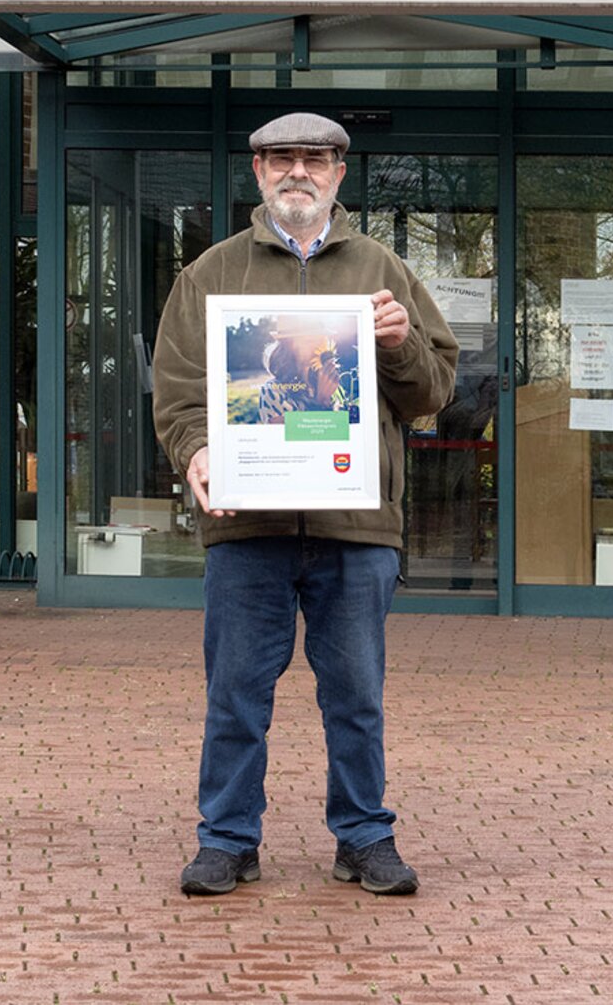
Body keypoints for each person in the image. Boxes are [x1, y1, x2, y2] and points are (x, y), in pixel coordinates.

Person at [152, 111, 458, 897]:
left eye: (313, 160)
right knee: (235, 693)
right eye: (281, 158)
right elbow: (180, 393)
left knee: (355, 696)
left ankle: (363, 837)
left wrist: (398, 344)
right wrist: (196, 452)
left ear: (338, 174)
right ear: (257, 173)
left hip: (356, 529)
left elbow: (433, 391)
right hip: (248, 527)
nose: (298, 172)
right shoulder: (211, 275)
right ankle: (227, 839)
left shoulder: (384, 268)